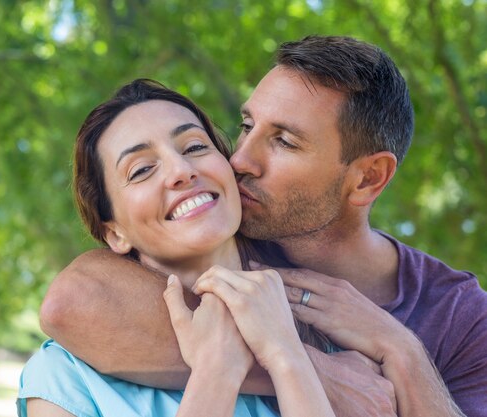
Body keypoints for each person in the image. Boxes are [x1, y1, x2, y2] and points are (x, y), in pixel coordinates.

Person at [40, 35, 487, 417]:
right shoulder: (217, 235)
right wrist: (300, 366)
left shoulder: (459, 317)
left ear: (368, 177)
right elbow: (75, 303)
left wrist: (403, 352)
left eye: (284, 142)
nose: (239, 159)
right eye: (246, 126)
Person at [18, 79, 337, 416]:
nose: (181, 171)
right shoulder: (63, 378)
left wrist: (287, 357)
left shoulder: (330, 339)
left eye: (195, 147)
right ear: (115, 233)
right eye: (142, 170)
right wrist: (217, 370)